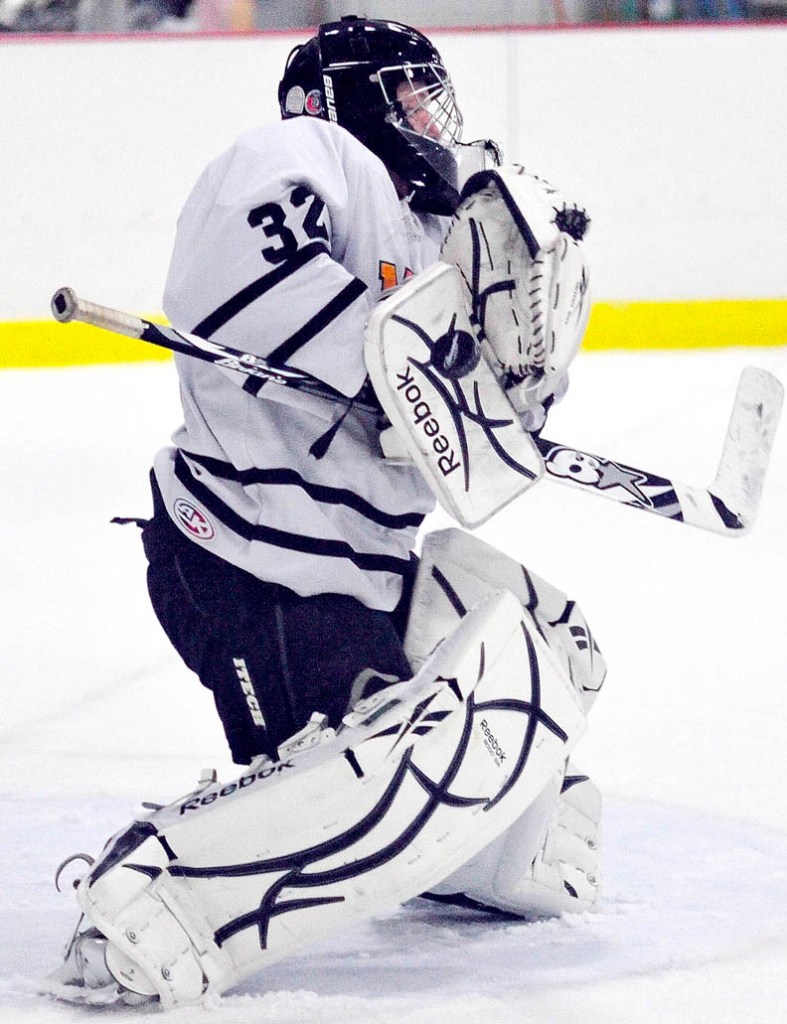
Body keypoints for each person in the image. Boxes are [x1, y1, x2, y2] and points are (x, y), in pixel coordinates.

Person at [46, 16, 605, 1009]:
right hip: (249, 563)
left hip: (360, 570)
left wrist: (521, 374)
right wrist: (395, 371)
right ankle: (151, 906)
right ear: (343, 98)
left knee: (551, 643)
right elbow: (243, 278)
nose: (435, 122)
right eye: (413, 98)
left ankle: (480, 853)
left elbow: (466, 434)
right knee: (382, 752)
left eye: (440, 99)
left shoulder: (439, 233)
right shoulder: (303, 153)